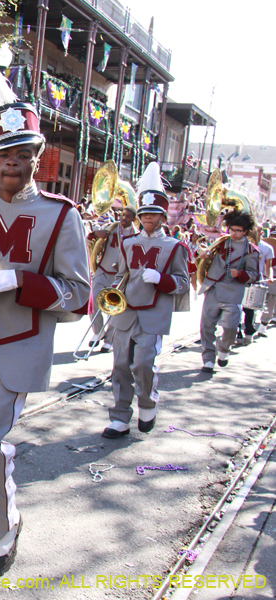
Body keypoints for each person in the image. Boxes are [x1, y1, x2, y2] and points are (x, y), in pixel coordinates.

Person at [0, 97, 91, 579]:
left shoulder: (62, 214)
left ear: (37, 155)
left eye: (23, 152)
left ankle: (4, 527)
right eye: (5, 152)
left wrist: (19, 282)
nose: (13, 161)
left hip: (21, 344)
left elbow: (79, 295)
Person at [102, 162, 190, 439]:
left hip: (153, 314)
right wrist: (114, 290)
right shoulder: (128, 243)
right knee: (119, 366)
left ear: (163, 217)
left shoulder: (175, 247)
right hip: (126, 311)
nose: (147, 218)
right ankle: (119, 417)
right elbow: (122, 274)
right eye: (144, 213)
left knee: (142, 364)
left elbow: (183, 283)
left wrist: (161, 280)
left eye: (153, 214)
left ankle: (148, 403)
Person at [197, 210, 260, 373]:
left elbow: (254, 276)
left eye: (238, 230)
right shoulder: (221, 242)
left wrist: (240, 274)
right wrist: (202, 254)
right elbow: (206, 255)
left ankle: (224, 350)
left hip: (234, 293)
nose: (234, 233)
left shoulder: (252, 251)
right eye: (231, 229)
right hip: (214, 288)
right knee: (206, 326)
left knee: (231, 327)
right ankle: (208, 359)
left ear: (245, 231)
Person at [87, 205, 137, 354]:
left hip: (120, 276)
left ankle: (109, 340)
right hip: (102, 271)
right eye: (122, 215)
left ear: (134, 219)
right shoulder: (111, 227)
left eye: (128, 216)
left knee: (115, 308)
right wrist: (96, 233)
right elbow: (90, 238)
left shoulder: (137, 235)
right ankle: (98, 331)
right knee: (93, 300)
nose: (124, 218)